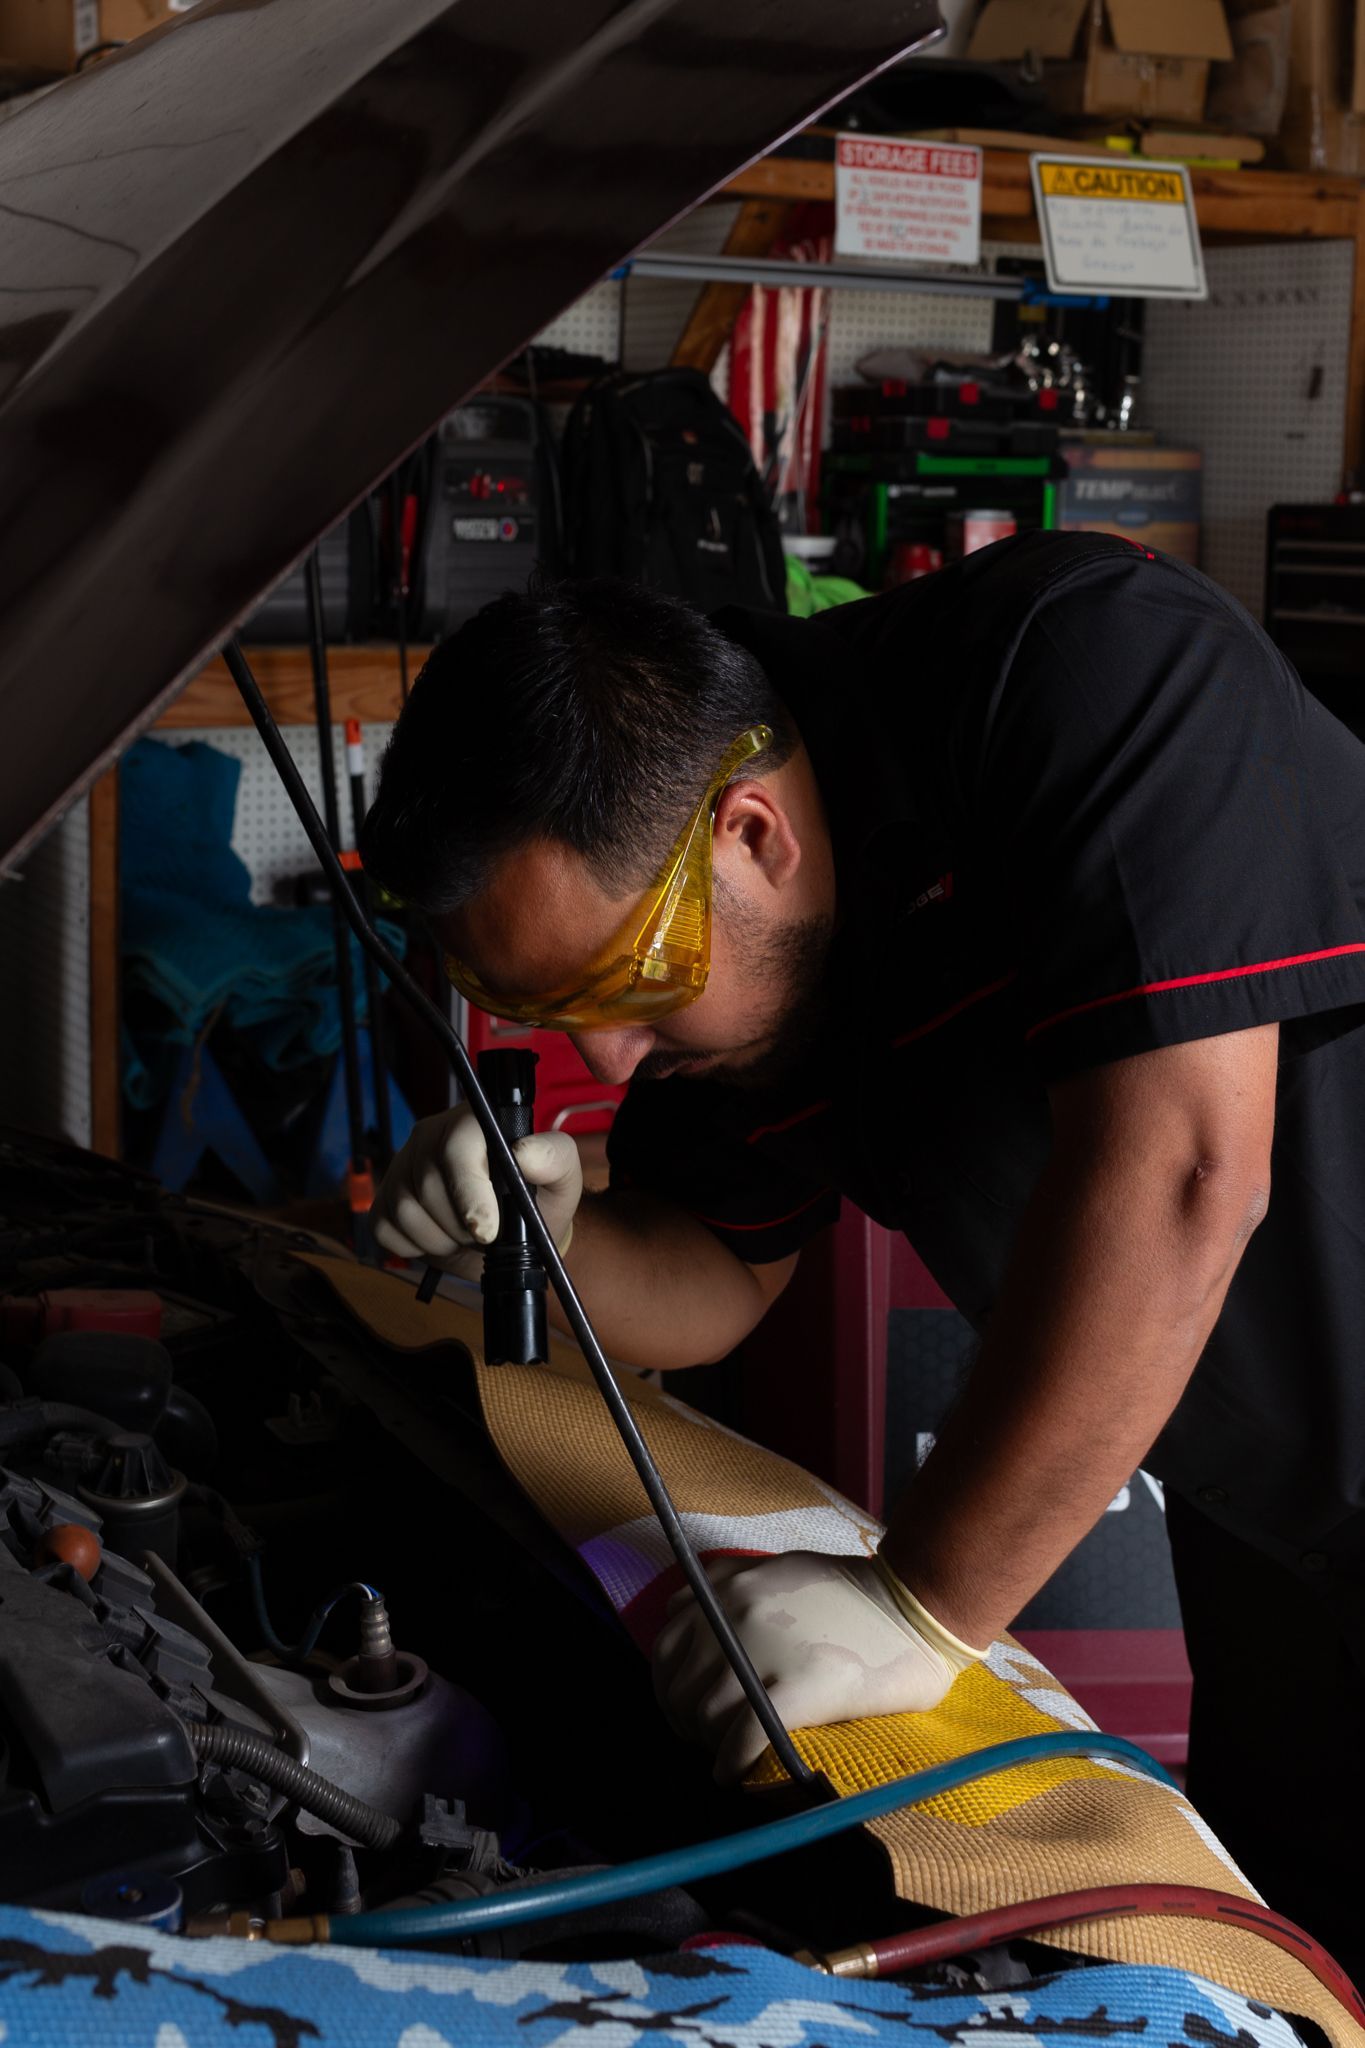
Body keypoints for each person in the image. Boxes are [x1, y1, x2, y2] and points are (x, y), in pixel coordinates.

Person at [360, 532, 1365, 1973]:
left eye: (620, 984)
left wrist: (923, 1600)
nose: (604, 1057)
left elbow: (1187, 1174)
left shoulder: (1081, 664)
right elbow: (711, 1279)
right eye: (541, 1010)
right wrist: (543, 1228)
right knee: (1302, 1951)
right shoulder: (759, 962)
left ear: (752, 831)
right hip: (1263, 1507)